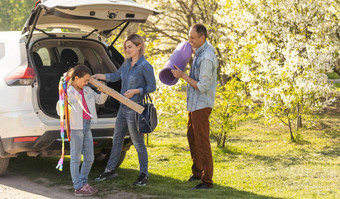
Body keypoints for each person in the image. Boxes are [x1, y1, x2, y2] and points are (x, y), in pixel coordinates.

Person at [93, 33, 156, 186]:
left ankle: (144, 175)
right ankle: (109, 170)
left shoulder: (145, 66)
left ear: (139, 46)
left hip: (135, 109)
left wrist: (136, 91)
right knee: (117, 140)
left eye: (130, 47)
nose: (127, 50)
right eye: (126, 47)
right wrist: (98, 76)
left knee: (138, 142)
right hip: (122, 107)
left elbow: (152, 87)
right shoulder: (126, 63)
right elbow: (115, 76)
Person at [171, 24, 218, 190]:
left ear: (202, 38)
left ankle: (207, 181)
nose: (189, 40)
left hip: (202, 105)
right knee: (192, 137)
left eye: (192, 37)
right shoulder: (199, 51)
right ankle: (197, 172)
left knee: (202, 142)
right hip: (193, 105)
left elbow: (203, 86)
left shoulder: (206, 57)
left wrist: (182, 75)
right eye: (189, 36)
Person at [57, 65, 108, 197]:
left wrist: (104, 90)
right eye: (85, 80)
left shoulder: (87, 91)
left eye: (88, 81)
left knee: (89, 158)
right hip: (76, 128)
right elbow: (59, 111)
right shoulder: (67, 92)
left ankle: (83, 183)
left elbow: (100, 100)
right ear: (76, 78)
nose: (86, 83)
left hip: (87, 126)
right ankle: (78, 186)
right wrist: (63, 101)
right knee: (75, 158)